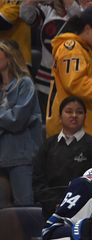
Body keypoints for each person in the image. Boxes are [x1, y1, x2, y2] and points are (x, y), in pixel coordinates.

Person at [46, 7, 92, 140]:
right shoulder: (71, 48)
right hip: (74, 132)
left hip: (86, 129)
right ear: (87, 29)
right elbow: (75, 83)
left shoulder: (84, 49)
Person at [33, 96, 92, 216]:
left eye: (79, 112)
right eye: (68, 111)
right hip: (51, 210)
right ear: (60, 116)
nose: (74, 115)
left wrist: (77, 202)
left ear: (85, 117)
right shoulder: (48, 144)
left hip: (84, 210)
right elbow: (38, 181)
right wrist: (54, 203)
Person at [19, 0, 82, 115]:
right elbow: (25, 14)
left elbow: (77, 15)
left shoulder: (80, 12)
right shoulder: (48, 11)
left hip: (70, 83)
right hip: (45, 82)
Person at [0, 39, 41, 206]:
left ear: (9, 58)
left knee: (24, 207)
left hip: (21, 156)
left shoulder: (25, 84)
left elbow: (17, 120)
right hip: (1, 156)